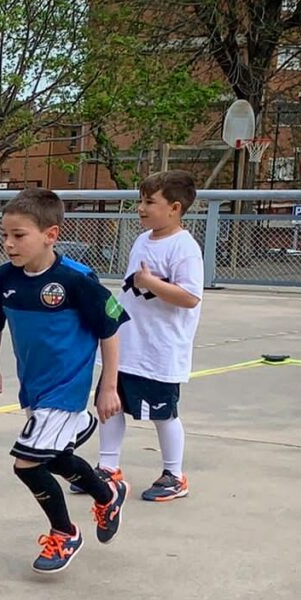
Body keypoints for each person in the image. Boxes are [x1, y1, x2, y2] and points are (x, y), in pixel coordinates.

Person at [0, 187, 130, 574]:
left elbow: (110, 330)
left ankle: (65, 533)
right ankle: (106, 492)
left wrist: (108, 386)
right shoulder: (3, 278)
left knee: (26, 464)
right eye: (4, 235)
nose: (9, 244)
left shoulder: (76, 280)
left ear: (50, 234)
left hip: (66, 389)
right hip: (35, 387)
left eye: (19, 235)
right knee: (54, 457)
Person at [89, 170, 204, 502]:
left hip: (159, 349)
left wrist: (150, 283)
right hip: (127, 343)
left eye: (150, 202)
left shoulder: (184, 247)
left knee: (163, 414)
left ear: (175, 208)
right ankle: (107, 468)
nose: (141, 208)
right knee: (109, 403)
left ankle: (174, 474)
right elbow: (130, 289)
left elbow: (190, 296)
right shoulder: (142, 239)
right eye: (140, 200)